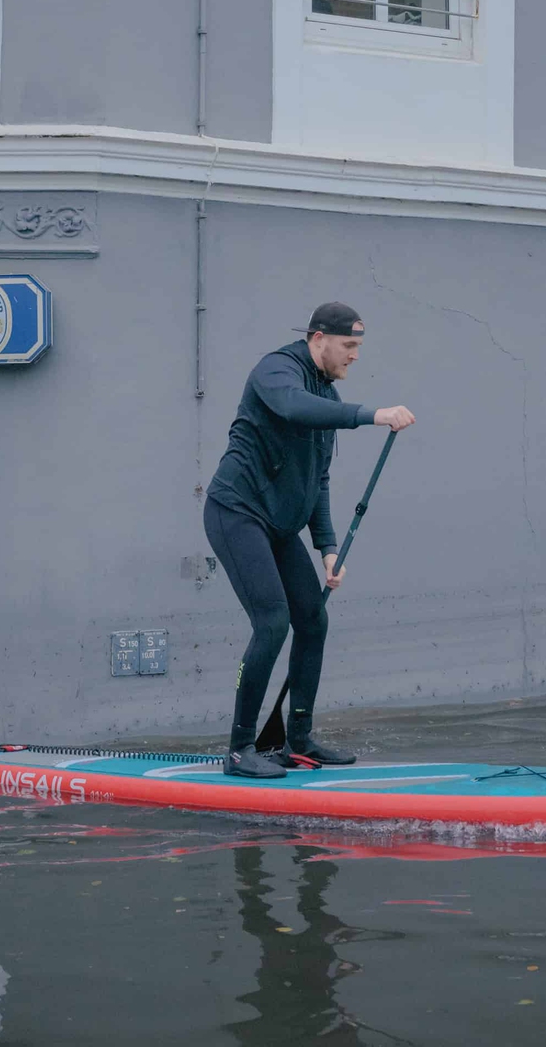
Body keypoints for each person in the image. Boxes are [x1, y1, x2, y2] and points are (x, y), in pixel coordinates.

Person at [204, 302, 415, 777]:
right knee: (273, 622)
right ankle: (240, 749)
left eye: (358, 347)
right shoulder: (278, 370)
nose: (355, 356)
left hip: (278, 524)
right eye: (349, 346)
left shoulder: (323, 390)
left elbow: (317, 481)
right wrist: (371, 414)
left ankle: (297, 741)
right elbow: (292, 407)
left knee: (312, 620)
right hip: (235, 512)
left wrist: (329, 550)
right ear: (318, 338)